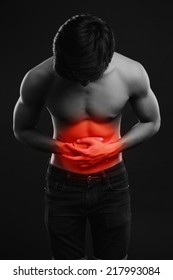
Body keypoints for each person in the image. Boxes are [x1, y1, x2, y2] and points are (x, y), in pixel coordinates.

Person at [13, 14, 161, 260]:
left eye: (88, 75)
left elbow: (152, 121)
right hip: (63, 184)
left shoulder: (131, 73)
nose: (81, 82)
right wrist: (60, 147)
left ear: (105, 59)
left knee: (114, 267)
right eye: (73, 73)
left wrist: (112, 148)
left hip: (111, 184)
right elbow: (22, 129)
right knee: (66, 269)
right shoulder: (38, 78)